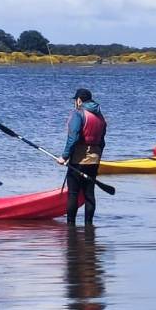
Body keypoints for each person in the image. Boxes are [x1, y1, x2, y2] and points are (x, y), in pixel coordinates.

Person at [56, 88, 107, 225]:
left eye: (75, 100)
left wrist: (64, 156)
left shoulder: (78, 114)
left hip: (78, 159)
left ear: (79, 100)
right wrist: (97, 156)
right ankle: (89, 226)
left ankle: (71, 227)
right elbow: (102, 141)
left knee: (73, 193)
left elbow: (73, 137)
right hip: (94, 159)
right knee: (89, 193)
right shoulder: (100, 116)